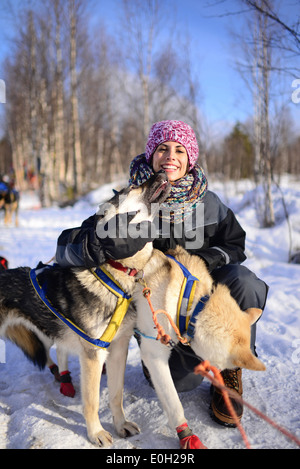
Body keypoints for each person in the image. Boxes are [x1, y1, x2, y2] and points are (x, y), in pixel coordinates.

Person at [55, 120, 268, 427]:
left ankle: (230, 368)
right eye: (163, 148)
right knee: (182, 384)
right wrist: (94, 247)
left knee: (244, 281)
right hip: (156, 314)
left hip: (200, 297)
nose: (171, 156)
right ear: (151, 155)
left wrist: (203, 261)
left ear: (190, 158)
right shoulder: (132, 198)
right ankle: (175, 358)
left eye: (179, 150)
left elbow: (235, 244)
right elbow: (66, 246)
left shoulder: (209, 204)